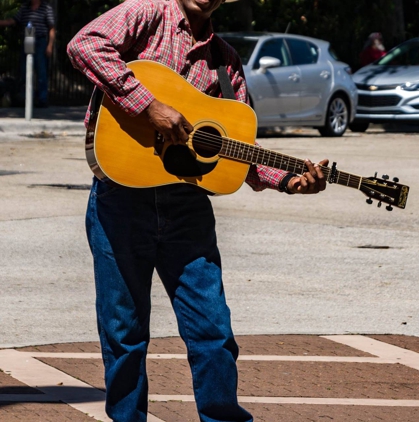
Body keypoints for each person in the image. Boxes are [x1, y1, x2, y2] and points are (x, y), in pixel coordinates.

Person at [67, 0, 328, 421]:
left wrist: (292, 180)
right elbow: (84, 44)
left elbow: (239, 148)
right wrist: (148, 106)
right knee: (124, 336)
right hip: (121, 198)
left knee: (214, 334)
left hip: (188, 209)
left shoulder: (225, 63)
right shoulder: (146, 12)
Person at [0, 0, 55, 107]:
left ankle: (42, 99)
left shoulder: (46, 8)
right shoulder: (25, 8)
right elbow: (13, 20)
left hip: (40, 41)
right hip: (27, 40)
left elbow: (51, 28)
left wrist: (50, 45)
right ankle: (24, 98)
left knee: (41, 71)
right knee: (24, 70)